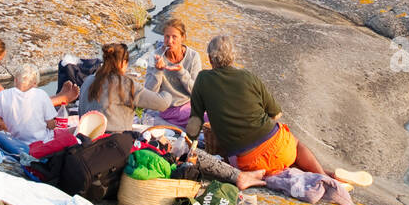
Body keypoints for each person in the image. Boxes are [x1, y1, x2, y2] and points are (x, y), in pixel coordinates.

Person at [82, 42, 265, 190]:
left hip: (90, 146)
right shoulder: (124, 84)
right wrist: (168, 91)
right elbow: (162, 103)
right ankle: (238, 176)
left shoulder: (88, 81)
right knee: (184, 150)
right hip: (118, 150)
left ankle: (236, 175)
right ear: (123, 64)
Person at [185, 33, 355, 180]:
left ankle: (322, 176)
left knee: (272, 159)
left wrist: (189, 144)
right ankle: (323, 176)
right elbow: (276, 113)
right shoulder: (247, 77)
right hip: (281, 150)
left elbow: (195, 121)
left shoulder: (202, 79)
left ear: (210, 58)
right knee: (295, 145)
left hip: (247, 162)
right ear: (233, 57)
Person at [0, 63, 78, 156]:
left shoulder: (3, 94)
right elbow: (51, 125)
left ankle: (60, 97)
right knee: (75, 130)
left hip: (16, 141)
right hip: (42, 142)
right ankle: (62, 98)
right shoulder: (41, 94)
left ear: (15, 80)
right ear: (35, 83)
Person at [142, 17, 203, 129]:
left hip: (188, 106)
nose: (169, 41)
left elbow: (196, 92)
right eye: (167, 37)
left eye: (174, 37)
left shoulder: (193, 56)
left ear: (182, 38)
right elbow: (149, 93)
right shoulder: (155, 56)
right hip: (167, 109)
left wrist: (181, 72)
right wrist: (158, 71)